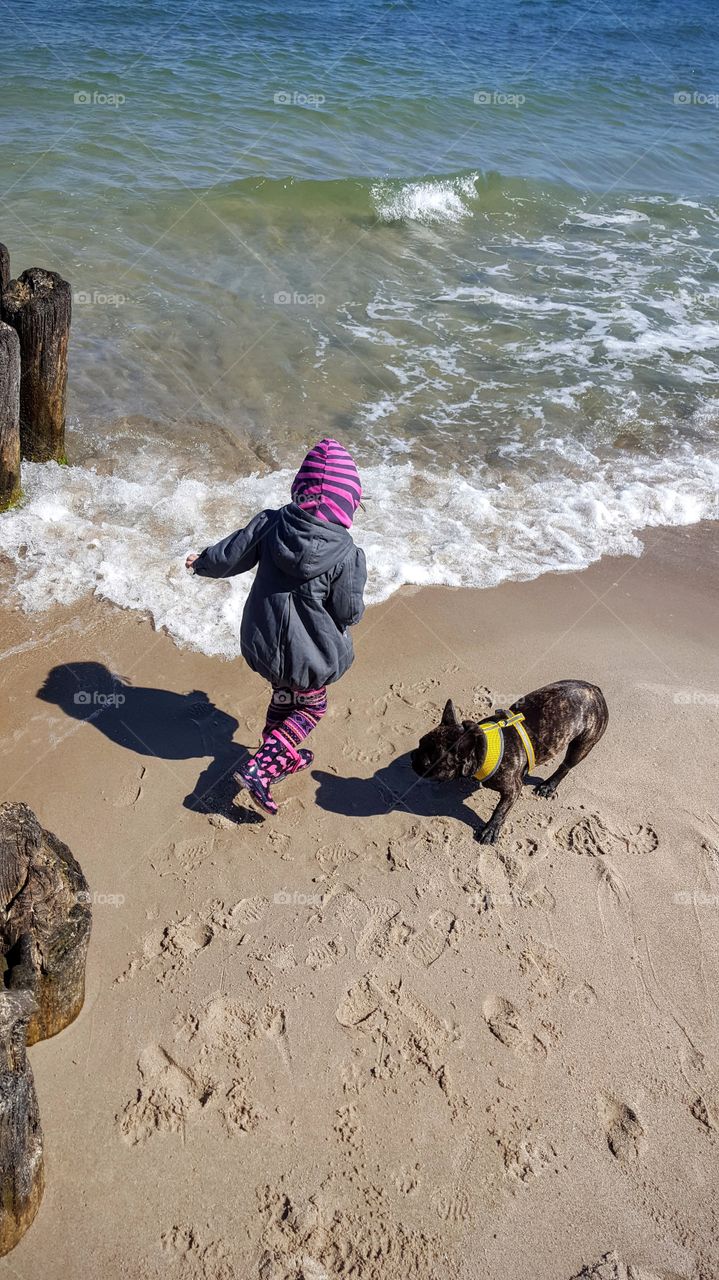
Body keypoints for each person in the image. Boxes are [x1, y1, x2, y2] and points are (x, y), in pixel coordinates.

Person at [186, 438, 366, 815]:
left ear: (299, 488)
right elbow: (348, 610)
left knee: (284, 696)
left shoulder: (270, 523)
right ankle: (261, 768)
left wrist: (201, 561)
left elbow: (228, 557)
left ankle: (279, 752)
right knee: (311, 708)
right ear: (349, 501)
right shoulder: (346, 553)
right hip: (311, 654)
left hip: (264, 644)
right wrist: (347, 617)